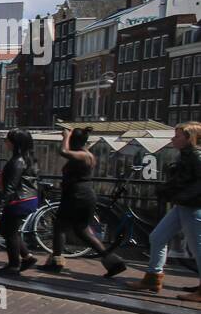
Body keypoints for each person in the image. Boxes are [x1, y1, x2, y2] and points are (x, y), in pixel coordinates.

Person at [127, 122, 201, 301]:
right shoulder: (186, 155)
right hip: (182, 205)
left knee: (198, 248)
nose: (173, 139)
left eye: (177, 136)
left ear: (189, 138)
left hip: (193, 207)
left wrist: (180, 194)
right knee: (157, 237)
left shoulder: (197, 156)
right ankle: (153, 278)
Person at [40, 126, 126, 277]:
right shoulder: (86, 154)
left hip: (76, 196)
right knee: (82, 230)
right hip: (83, 195)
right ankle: (113, 262)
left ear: (73, 141)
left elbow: (64, 152)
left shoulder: (83, 155)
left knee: (60, 227)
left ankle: (56, 263)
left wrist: (65, 136)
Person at [0, 129, 39, 275]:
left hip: (18, 200)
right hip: (28, 198)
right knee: (7, 230)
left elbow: (10, 187)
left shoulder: (18, 161)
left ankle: (13, 265)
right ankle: (27, 257)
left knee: (9, 231)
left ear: (15, 143)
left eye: (8, 140)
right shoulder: (29, 158)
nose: (5, 142)